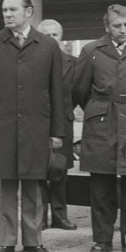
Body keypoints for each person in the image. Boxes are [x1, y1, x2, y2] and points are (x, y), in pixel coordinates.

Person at [0, 0, 65, 252]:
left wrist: (57, 132)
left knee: (34, 185)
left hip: (37, 128)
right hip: (2, 127)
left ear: (29, 12)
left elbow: (56, 92)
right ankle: (5, 240)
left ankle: (33, 241)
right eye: (4, 10)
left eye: (13, 9)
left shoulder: (48, 45)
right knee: (7, 185)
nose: (7, 14)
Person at [72, 4, 126, 252]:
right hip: (102, 121)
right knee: (101, 185)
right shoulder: (91, 51)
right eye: (117, 26)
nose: (123, 31)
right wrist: (99, 108)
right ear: (106, 27)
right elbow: (79, 89)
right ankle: (102, 240)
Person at [37, 19, 78, 230]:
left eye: (55, 35)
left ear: (61, 38)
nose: (52, 39)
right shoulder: (32, 60)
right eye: (47, 35)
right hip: (39, 123)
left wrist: (67, 111)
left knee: (61, 170)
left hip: (63, 123)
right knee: (39, 170)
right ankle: (40, 216)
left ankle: (60, 216)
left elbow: (79, 91)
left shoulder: (74, 62)